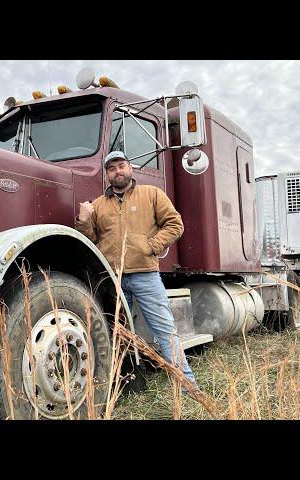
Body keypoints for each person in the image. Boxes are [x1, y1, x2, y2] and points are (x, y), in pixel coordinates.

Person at [75, 150, 199, 394]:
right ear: (107, 175)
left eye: (121, 165)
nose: (117, 171)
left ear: (130, 169)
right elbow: (89, 241)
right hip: (113, 279)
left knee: (165, 331)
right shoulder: (98, 205)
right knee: (115, 334)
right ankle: (124, 387)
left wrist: (151, 246)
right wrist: (83, 220)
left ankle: (189, 388)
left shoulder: (152, 194)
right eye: (111, 168)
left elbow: (175, 224)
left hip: (145, 275)